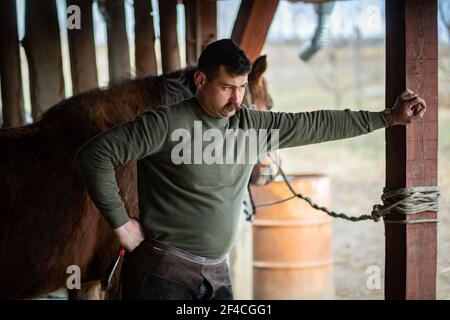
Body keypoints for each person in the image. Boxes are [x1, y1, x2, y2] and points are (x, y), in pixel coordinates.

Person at [76, 39, 427, 300]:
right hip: (162, 276)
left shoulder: (252, 126)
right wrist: (120, 224)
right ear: (200, 81)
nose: (236, 100)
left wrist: (388, 118)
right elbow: (95, 154)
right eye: (227, 87)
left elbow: (317, 123)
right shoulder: (165, 123)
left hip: (216, 276)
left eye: (242, 88)